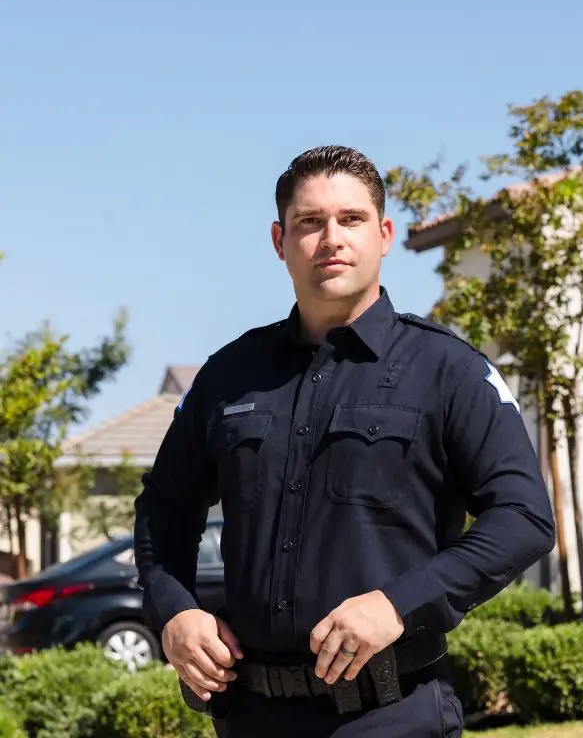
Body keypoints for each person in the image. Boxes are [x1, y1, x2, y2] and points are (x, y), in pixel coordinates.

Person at [133, 145, 555, 737]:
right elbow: (165, 508)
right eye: (310, 222)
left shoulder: (448, 371)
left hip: (391, 714)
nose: (331, 238)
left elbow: (523, 518)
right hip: (250, 717)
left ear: (383, 235)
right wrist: (174, 611)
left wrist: (399, 604)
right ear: (279, 241)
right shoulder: (228, 376)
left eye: (351, 220)